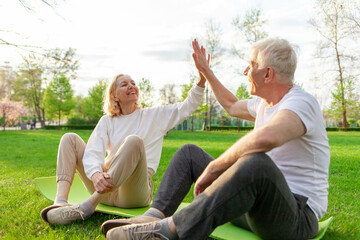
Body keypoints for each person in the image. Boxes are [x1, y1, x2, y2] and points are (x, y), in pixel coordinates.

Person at [102, 38, 330, 240]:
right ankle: (152, 217)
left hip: (295, 217)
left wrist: (216, 167)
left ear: (268, 74)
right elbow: (231, 105)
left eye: (251, 66)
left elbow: (267, 137)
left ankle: (165, 232)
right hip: (253, 210)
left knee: (255, 163)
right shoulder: (263, 104)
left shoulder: (301, 103)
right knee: (189, 154)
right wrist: (206, 72)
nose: (245, 71)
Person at [40, 72, 206, 225]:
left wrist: (201, 79)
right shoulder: (107, 121)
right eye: (124, 84)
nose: (131, 86)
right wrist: (96, 174)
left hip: (132, 194)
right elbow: (93, 150)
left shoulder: (154, 116)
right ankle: (60, 202)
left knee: (134, 141)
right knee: (70, 139)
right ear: (114, 95)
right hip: (105, 185)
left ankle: (88, 206)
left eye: (133, 83)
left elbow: (187, 107)